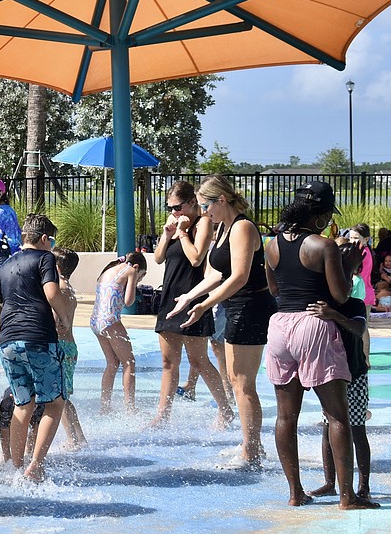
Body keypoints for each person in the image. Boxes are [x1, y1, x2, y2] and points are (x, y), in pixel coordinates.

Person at [263, 181, 377, 510]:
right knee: (338, 417)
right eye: (328, 216)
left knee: (286, 418)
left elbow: (274, 289)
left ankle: (295, 492)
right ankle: (347, 497)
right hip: (314, 323)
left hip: (281, 327)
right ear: (320, 216)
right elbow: (341, 295)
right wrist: (347, 263)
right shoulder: (322, 245)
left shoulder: (271, 245)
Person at [168, 175, 275, 471]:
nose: (203, 211)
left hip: (251, 307)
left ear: (222, 200)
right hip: (235, 306)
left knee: (242, 383)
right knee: (235, 380)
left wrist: (205, 304)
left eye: (206, 205)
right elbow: (214, 274)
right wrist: (189, 297)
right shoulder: (223, 228)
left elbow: (239, 276)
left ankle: (252, 450)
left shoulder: (242, 227)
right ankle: (249, 444)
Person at [0, 213, 73, 483]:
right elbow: (51, 293)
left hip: (8, 342)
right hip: (39, 339)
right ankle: (36, 464)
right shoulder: (46, 258)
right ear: (45, 238)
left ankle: (17, 466)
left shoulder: (5, 265)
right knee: (55, 403)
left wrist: (10, 323)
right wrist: (64, 320)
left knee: (23, 404)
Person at [152, 180, 234, 428]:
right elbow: (157, 259)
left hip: (193, 295)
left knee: (198, 360)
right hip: (170, 296)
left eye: (177, 207)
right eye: (170, 208)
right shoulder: (174, 224)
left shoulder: (203, 222)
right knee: (168, 361)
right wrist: (167, 236)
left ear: (191, 203)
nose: (173, 212)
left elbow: (197, 259)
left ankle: (225, 409)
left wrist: (183, 234)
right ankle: (162, 415)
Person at [308, 295, 375, 505]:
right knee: (328, 429)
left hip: (354, 375)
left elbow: (358, 328)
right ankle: (330, 483)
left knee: (356, 429)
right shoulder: (319, 303)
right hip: (330, 377)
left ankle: (364, 486)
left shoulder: (354, 304)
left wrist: (333, 315)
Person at [90, 252, 146, 414]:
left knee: (113, 363)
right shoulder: (130, 271)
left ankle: (105, 406)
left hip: (95, 322)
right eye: (141, 276)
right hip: (110, 321)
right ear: (137, 267)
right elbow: (129, 302)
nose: (139, 280)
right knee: (129, 363)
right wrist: (134, 280)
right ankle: (130, 408)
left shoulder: (110, 269)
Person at [50, 247, 87, 449]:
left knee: (59, 398)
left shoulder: (61, 290)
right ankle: (78, 436)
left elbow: (57, 322)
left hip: (61, 346)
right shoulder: (68, 288)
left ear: (55, 266)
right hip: (69, 346)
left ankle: (74, 438)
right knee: (62, 396)